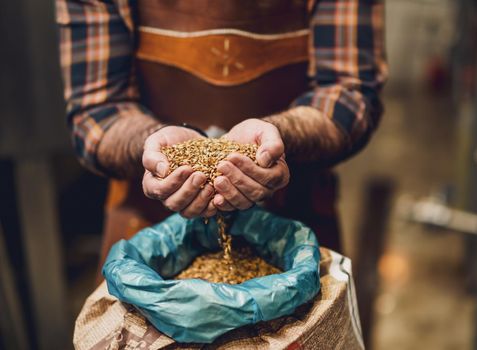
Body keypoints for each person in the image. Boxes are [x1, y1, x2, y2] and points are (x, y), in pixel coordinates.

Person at [56, 0, 387, 274]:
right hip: (147, 227)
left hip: (295, 222)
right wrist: (156, 146)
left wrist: (279, 137)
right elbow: (97, 112)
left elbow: (349, 92)